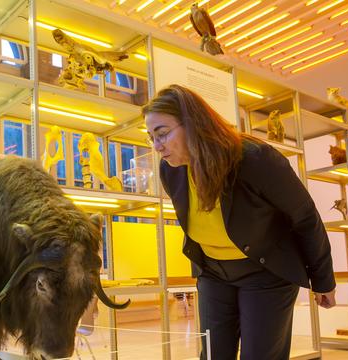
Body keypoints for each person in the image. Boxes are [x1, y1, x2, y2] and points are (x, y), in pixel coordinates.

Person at [143, 84, 336, 360]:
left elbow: (305, 217)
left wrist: (323, 280)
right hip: (213, 272)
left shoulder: (254, 159)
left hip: (266, 271)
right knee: (213, 355)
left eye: (162, 134)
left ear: (193, 124)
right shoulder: (170, 170)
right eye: (151, 137)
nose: (157, 145)